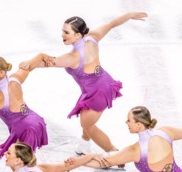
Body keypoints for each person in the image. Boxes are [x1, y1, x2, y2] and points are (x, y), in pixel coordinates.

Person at [20, 12, 148, 156]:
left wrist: (30, 63)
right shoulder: (92, 38)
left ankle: (113, 152)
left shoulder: (73, 57)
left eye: (66, 32)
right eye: (62, 31)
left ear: (78, 35)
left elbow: (45, 62)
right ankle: (84, 145)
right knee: (85, 115)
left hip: (98, 93)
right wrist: (130, 15)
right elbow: (112, 23)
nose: (62, 34)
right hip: (104, 83)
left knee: (87, 124)